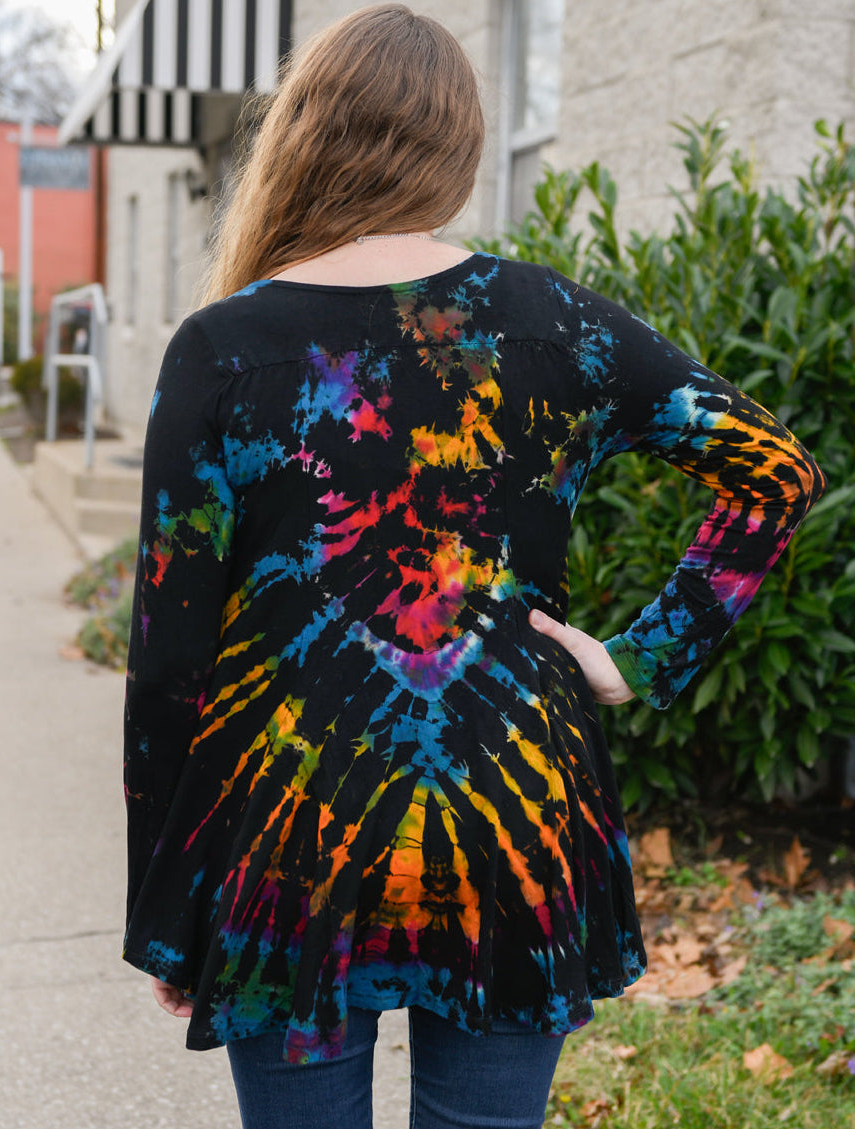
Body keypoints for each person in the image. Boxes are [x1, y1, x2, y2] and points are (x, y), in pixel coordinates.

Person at [122, 5, 825, 1127]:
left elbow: (170, 658)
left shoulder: (222, 347)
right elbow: (773, 468)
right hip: (514, 806)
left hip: (291, 822)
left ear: (301, 135)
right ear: (457, 146)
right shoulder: (558, 325)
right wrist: (639, 656)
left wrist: (168, 901)